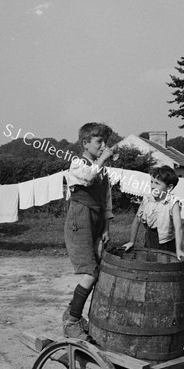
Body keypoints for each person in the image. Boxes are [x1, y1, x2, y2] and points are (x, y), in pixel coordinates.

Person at [63, 122, 114, 340]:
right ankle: (71, 321)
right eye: (99, 142)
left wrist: (106, 227)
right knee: (90, 272)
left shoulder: (101, 170)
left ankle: (72, 311)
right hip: (79, 219)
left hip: (96, 220)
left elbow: (106, 200)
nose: (104, 146)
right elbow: (87, 177)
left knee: (97, 271)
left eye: (105, 142)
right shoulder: (77, 164)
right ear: (85, 143)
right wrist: (102, 161)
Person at [122, 165, 184, 260]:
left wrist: (179, 250)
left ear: (169, 187)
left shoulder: (173, 203)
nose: (152, 186)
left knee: (164, 266)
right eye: (151, 182)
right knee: (149, 263)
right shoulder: (147, 199)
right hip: (150, 239)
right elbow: (137, 220)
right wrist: (132, 241)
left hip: (166, 243)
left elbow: (178, 228)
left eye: (157, 183)